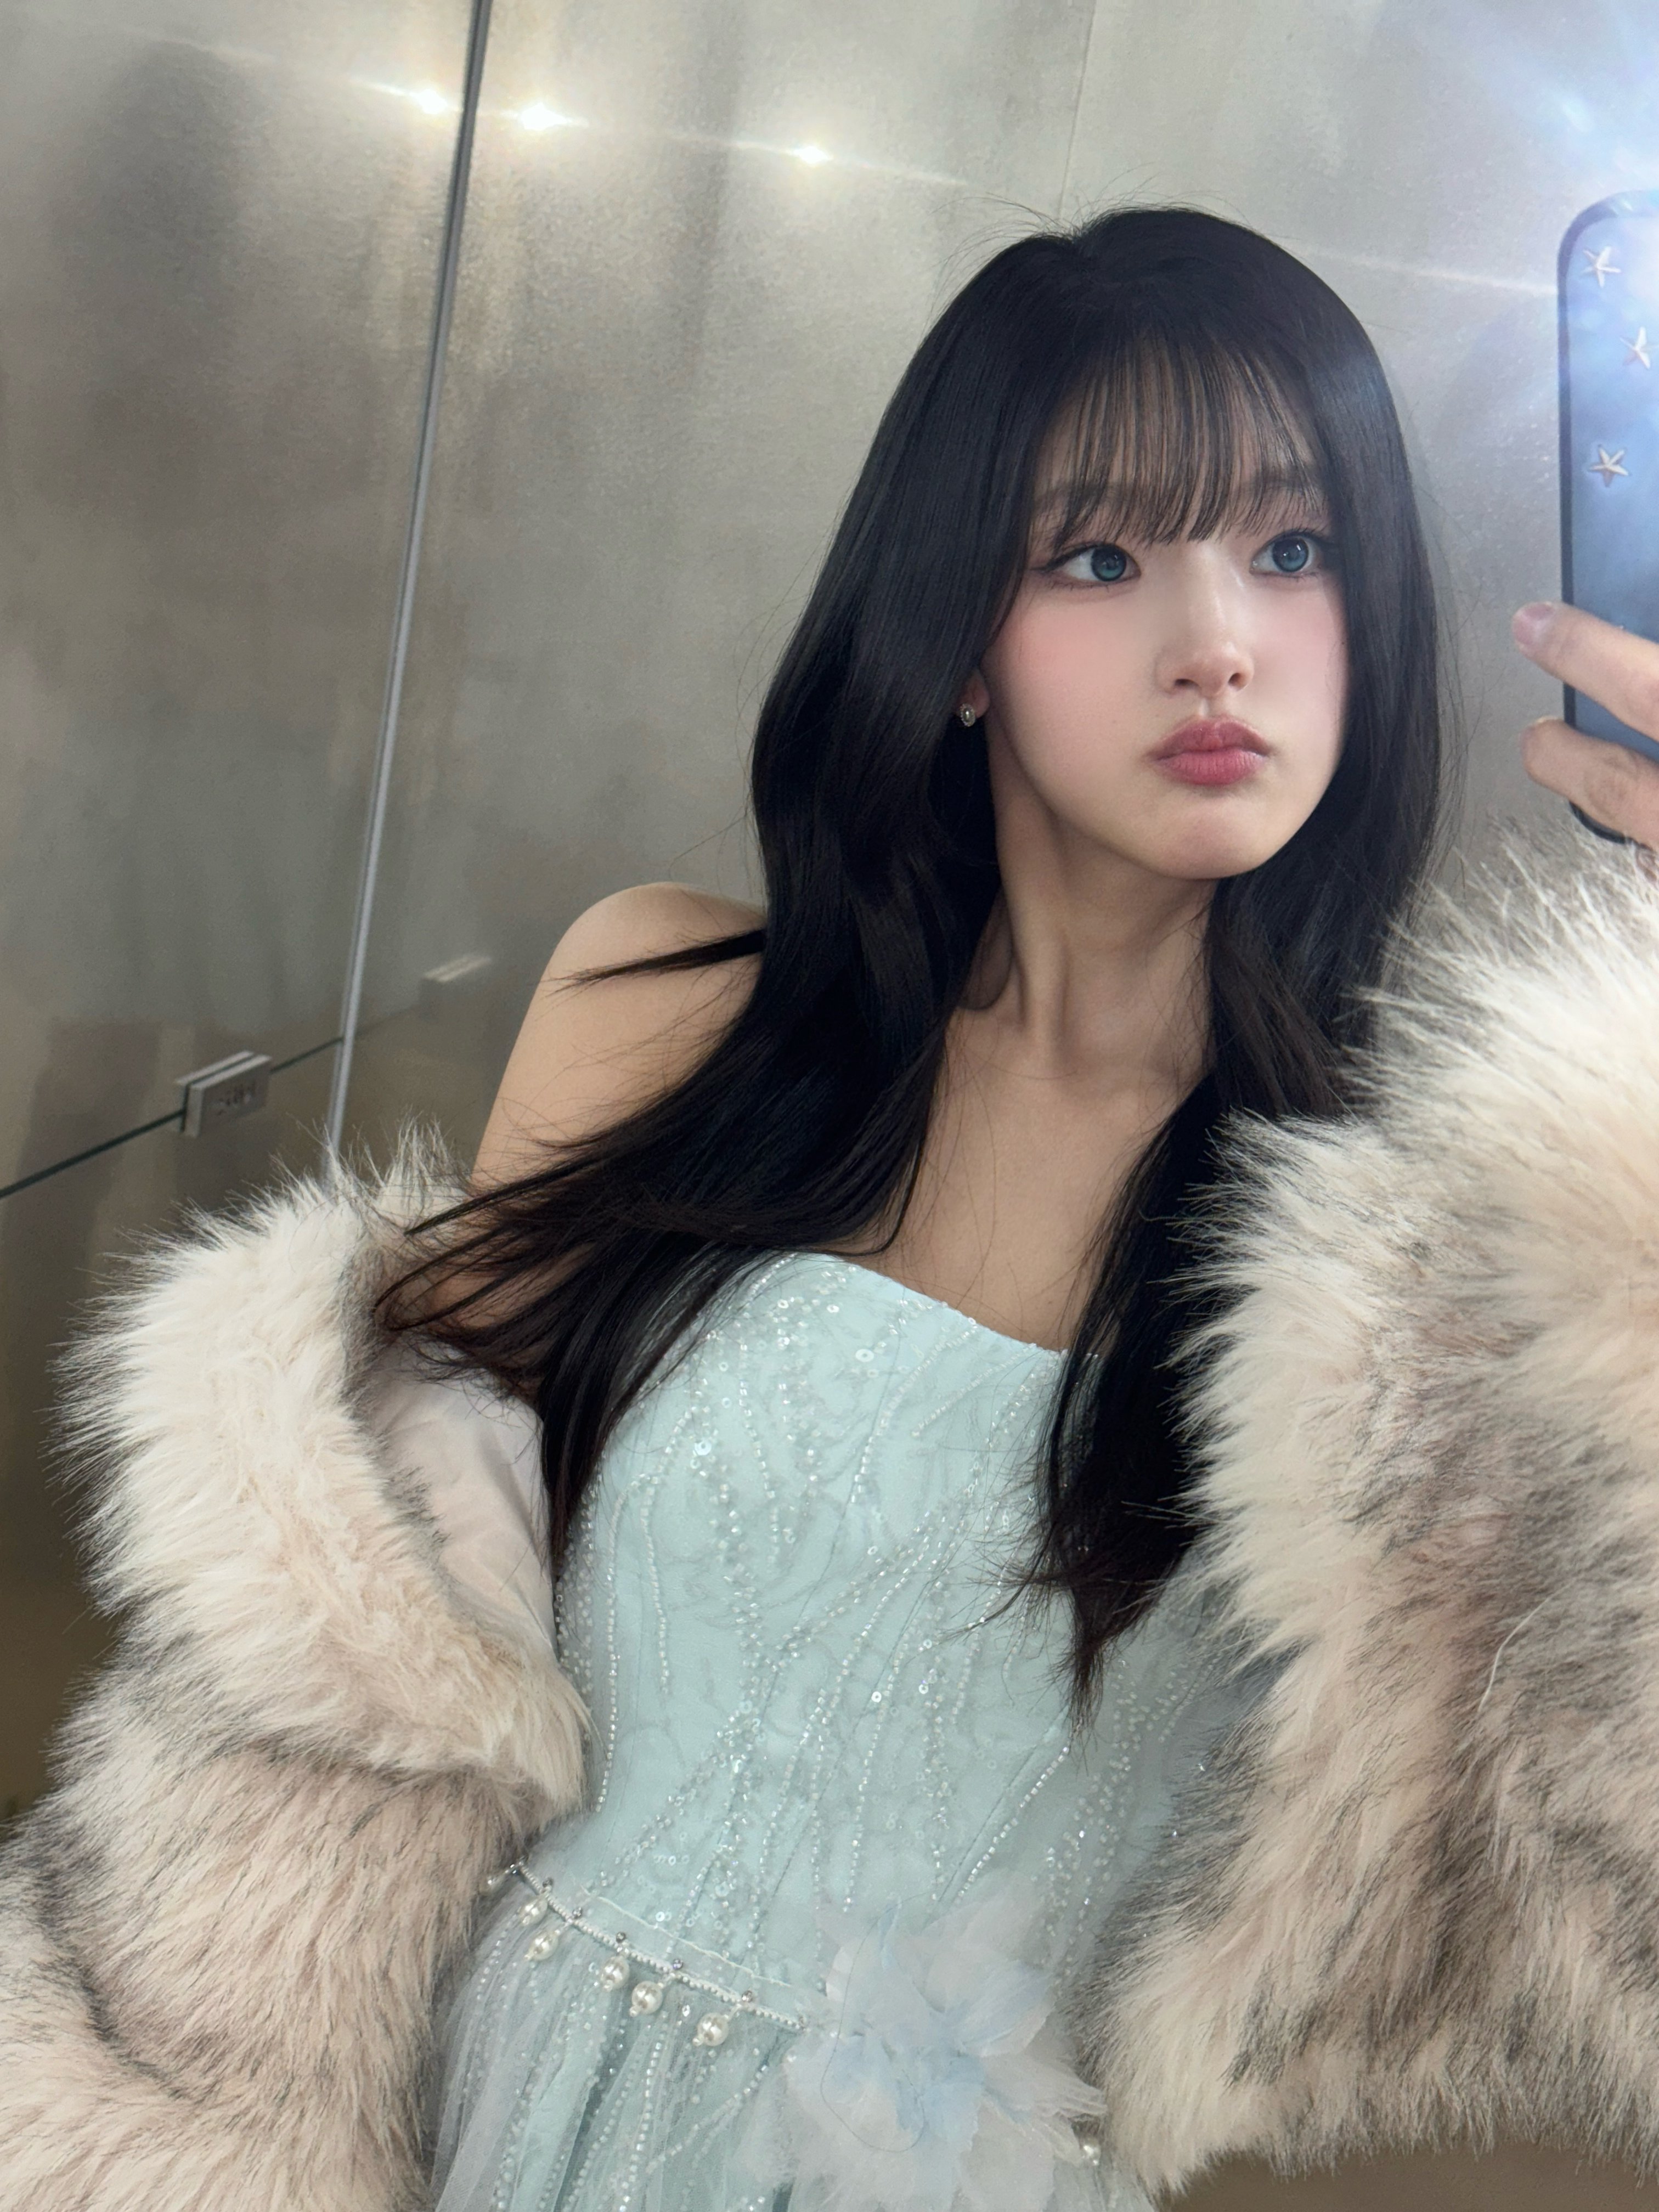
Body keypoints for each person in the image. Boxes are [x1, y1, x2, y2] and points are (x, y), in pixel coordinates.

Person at [5, 206, 1659, 2212]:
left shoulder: (1426, 1250)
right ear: (957, 639)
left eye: (1294, 548)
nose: (1219, 637)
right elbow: (366, 1693)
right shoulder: (660, 1011)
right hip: (467, 2123)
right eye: (1101, 556)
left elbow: (1595, 1826)